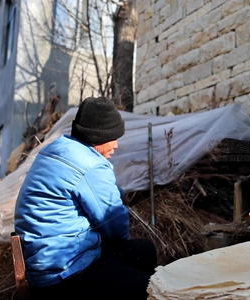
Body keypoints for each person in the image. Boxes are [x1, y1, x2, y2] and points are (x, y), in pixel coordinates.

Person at [15, 97, 157, 299]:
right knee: (148, 288)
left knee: (144, 251)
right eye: (113, 137)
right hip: (66, 275)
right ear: (98, 136)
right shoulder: (91, 165)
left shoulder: (55, 149)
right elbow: (115, 226)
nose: (116, 145)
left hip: (44, 263)